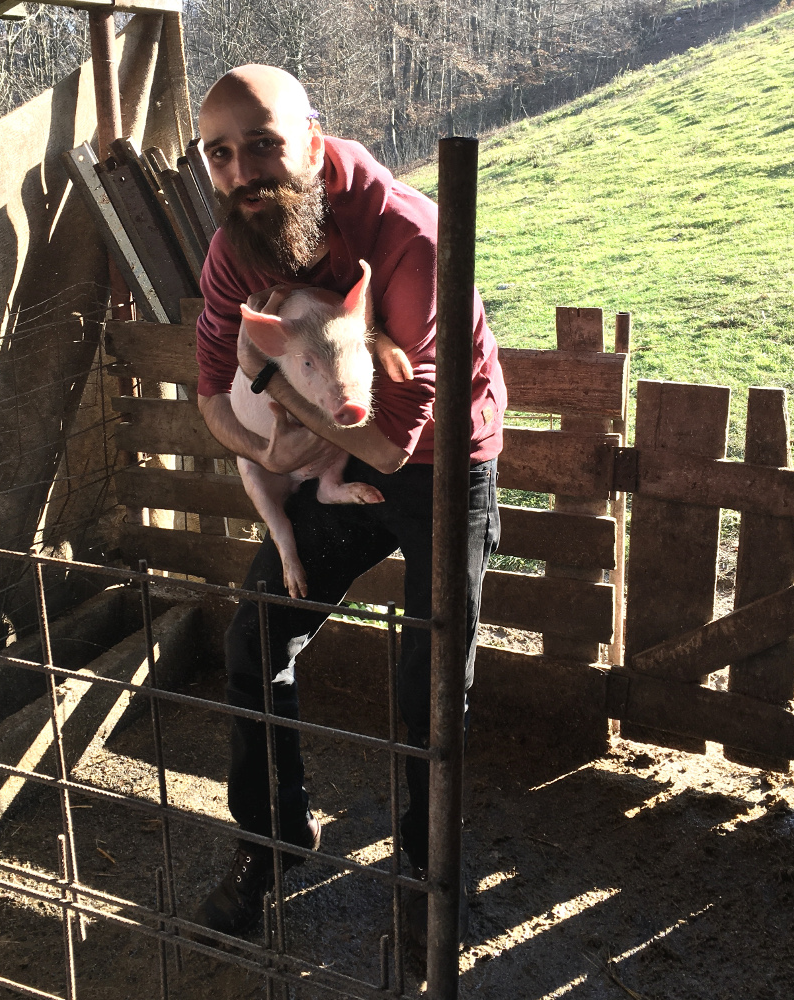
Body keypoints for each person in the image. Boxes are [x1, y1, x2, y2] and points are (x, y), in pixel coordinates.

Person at [192, 65, 506, 943]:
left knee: (429, 677)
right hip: (331, 453)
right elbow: (212, 391)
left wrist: (276, 390)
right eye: (220, 154)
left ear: (314, 146)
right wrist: (270, 452)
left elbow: (389, 444)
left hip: (441, 461)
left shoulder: (409, 237)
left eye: (262, 145)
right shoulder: (235, 247)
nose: (242, 171)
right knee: (255, 632)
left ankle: (424, 872)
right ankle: (273, 840)